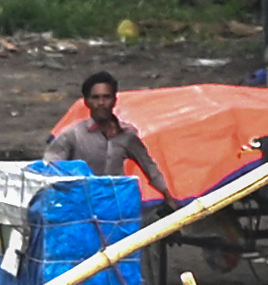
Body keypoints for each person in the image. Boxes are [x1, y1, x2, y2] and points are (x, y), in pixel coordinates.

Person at [45, 70, 173, 202]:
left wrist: (169, 198)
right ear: (86, 102)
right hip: (81, 203)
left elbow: (149, 167)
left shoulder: (126, 135)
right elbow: (49, 168)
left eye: (106, 97)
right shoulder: (72, 135)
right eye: (95, 98)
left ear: (114, 100)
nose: (101, 103)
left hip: (115, 204)